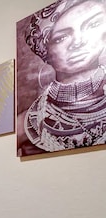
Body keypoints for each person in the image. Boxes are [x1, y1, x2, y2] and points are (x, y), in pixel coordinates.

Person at [23, 0, 106, 152]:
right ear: (44, 51)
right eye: (61, 38)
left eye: (93, 25)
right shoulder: (30, 121)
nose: (79, 42)